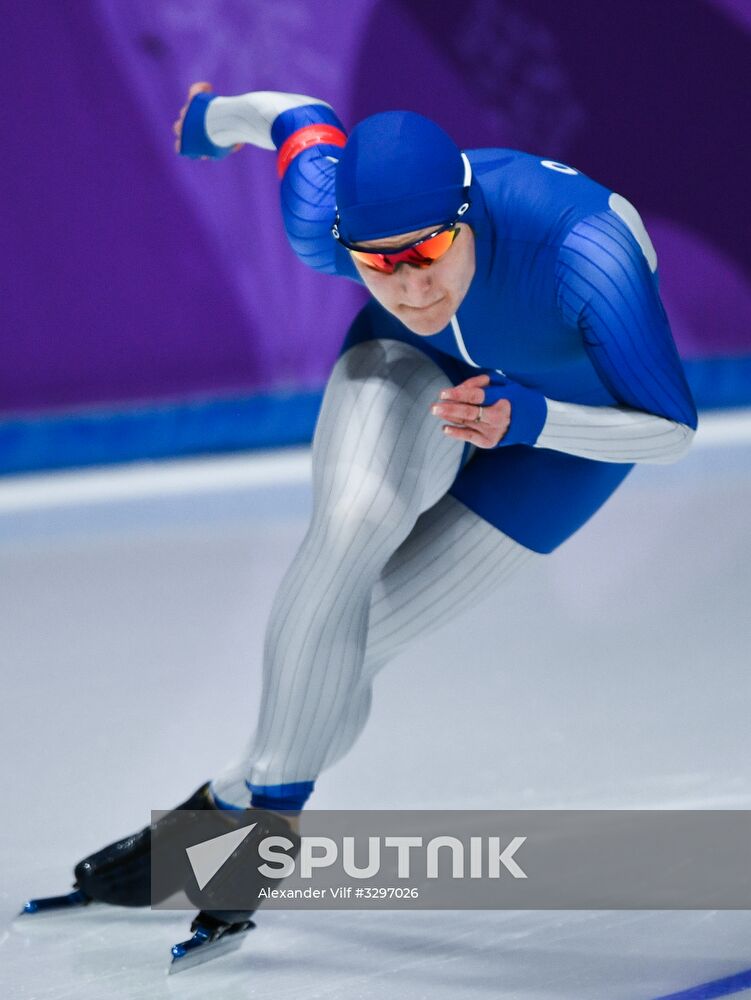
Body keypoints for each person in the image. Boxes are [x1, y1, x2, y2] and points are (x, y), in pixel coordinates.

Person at [24, 82, 697, 966]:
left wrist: (529, 420)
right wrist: (208, 118)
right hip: (413, 369)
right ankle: (263, 829)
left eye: (428, 251)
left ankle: (224, 811)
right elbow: (296, 119)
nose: (412, 282)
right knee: (353, 522)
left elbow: (671, 432)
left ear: (467, 218)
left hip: (570, 433)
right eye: (380, 264)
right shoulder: (325, 227)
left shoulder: (584, 252)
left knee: (357, 643)